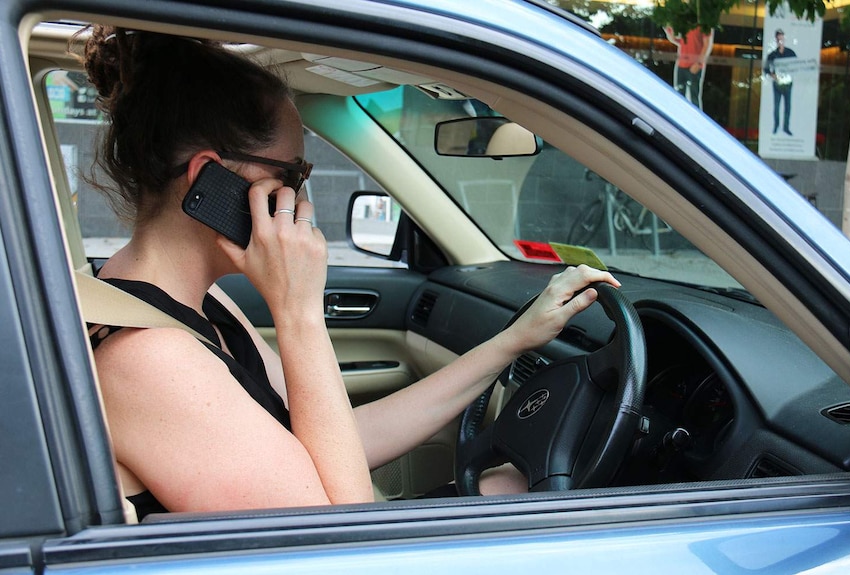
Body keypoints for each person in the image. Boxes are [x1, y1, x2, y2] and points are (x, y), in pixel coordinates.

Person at [78, 26, 621, 520]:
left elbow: (335, 442)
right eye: (292, 172)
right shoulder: (148, 355)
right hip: (336, 546)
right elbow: (340, 538)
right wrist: (298, 311)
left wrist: (511, 343)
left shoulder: (190, 304)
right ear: (211, 180)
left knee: (510, 485)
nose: (301, 193)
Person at [664, 26, 714, 110]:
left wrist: (698, 63)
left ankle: (696, 121)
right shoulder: (685, 23)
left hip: (694, 66)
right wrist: (671, 36)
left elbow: (707, 45)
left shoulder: (704, 24)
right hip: (681, 64)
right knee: (678, 96)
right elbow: (682, 42)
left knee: (694, 98)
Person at [766, 29, 797, 136]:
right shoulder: (772, 55)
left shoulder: (790, 53)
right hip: (777, 83)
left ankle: (786, 127)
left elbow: (795, 66)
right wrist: (772, 75)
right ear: (776, 40)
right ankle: (776, 126)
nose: (780, 41)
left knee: (788, 106)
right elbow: (766, 68)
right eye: (778, 39)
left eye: (782, 38)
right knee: (777, 106)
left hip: (787, 83)